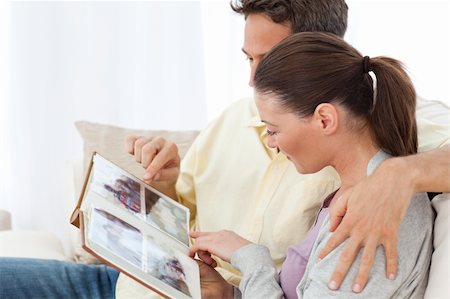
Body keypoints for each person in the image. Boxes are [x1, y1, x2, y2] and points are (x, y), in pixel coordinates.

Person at [0, 1, 448, 298]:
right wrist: (166, 186)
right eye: (248, 59)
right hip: (153, 285)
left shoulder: (382, 131)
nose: (253, 80)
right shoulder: (238, 119)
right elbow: (178, 230)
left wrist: (399, 175)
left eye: (268, 62)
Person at [188, 31, 433, 298]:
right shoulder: (356, 191)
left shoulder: (376, 214)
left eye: (272, 129)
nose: (271, 143)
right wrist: (227, 293)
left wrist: (252, 260)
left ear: (325, 119)